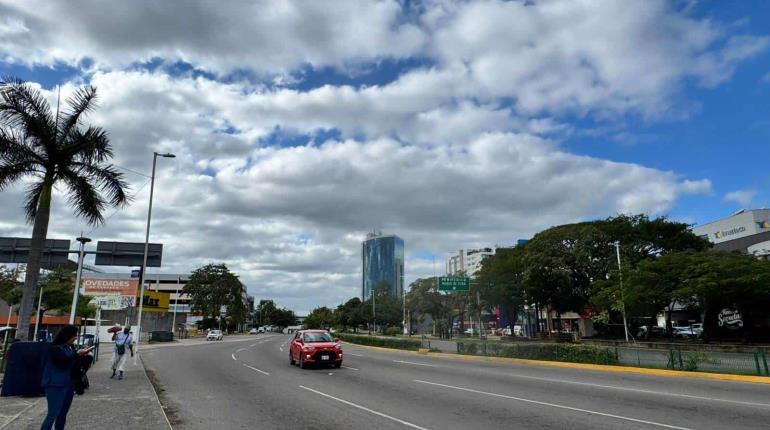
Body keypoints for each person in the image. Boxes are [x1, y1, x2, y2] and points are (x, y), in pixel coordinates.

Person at [41, 325, 94, 430]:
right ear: (66, 336)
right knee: (53, 414)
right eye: (74, 335)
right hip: (55, 385)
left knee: (62, 414)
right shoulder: (54, 348)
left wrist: (85, 356)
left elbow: (73, 364)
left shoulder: (69, 347)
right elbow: (63, 360)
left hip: (68, 384)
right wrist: (77, 354)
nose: (75, 337)